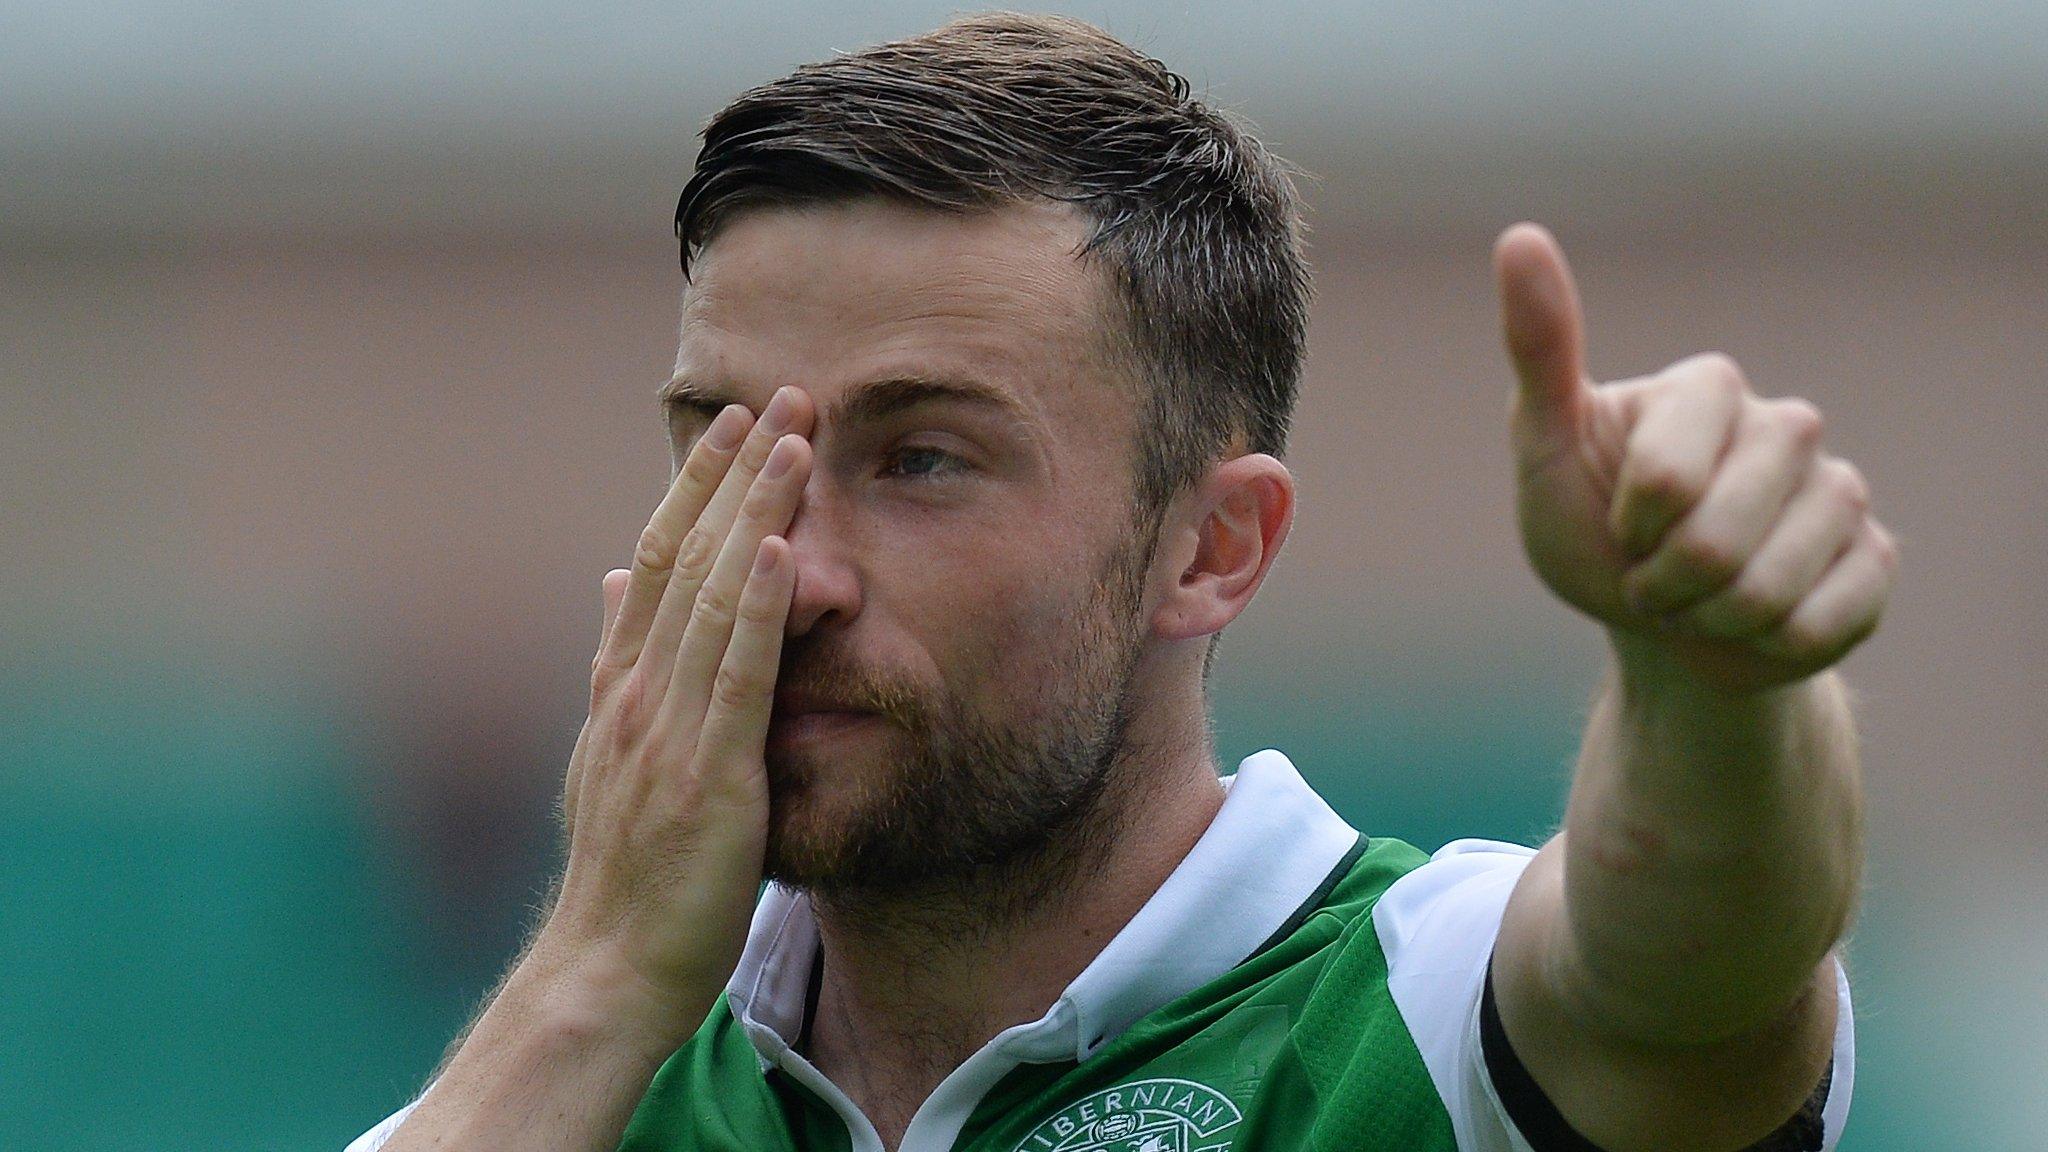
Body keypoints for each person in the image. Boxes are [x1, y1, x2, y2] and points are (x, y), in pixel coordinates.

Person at [347, 13, 1895, 1152]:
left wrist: (1716, 674)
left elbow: (1699, 951)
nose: (793, 573)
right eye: (729, 449)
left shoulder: (1427, 1015)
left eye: (924, 460)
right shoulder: (581, 1080)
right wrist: (601, 968)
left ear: (1212, 548)